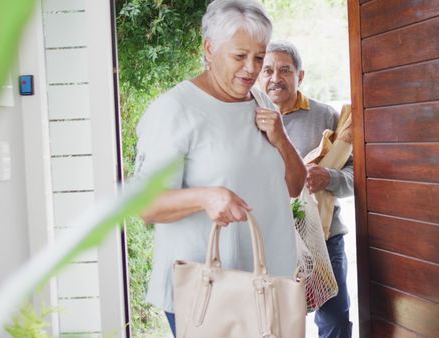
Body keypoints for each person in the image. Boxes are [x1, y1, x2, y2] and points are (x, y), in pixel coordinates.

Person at [133, 1, 306, 336]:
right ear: (209, 49)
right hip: (211, 294)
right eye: (239, 56)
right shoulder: (174, 110)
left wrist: (281, 138)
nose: (252, 68)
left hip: (271, 286)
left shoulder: (261, 102)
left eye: (259, 56)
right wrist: (207, 197)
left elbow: (295, 187)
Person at [258, 41, 354, 338]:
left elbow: (355, 176)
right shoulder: (247, 117)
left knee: (335, 319)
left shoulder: (326, 116)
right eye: (268, 70)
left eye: (285, 70)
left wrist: (329, 177)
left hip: (323, 239)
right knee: (276, 322)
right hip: (270, 241)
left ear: (299, 76)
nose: (276, 78)